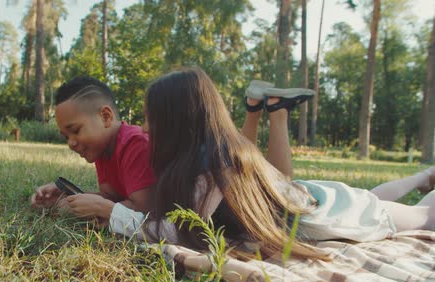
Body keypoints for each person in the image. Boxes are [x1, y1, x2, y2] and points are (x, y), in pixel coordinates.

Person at [105, 67, 435, 260]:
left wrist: (111, 214)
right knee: (372, 195)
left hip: (335, 210)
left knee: (423, 217)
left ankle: (426, 178)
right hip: (315, 199)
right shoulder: (210, 158)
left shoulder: (214, 170)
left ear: (177, 123)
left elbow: (176, 232)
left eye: (151, 119)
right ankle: (423, 176)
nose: (145, 128)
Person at [30, 77, 155, 223]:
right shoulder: (102, 149)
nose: (70, 143)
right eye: (66, 137)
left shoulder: (136, 144)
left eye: (76, 130)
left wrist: (85, 211)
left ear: (105, 117)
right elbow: (111, 196)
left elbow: (143, 211)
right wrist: (69, 197)